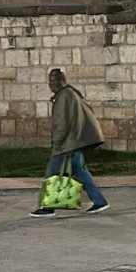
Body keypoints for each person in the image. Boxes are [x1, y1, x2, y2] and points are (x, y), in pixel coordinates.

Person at [30, 69, 109, 218]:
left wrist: (56, 143)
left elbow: (62, 124)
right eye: (50, 81)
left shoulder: (64, 96)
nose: (50, 84)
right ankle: (99, 201)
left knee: (51, 174)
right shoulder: (71, 93)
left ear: (60, 81)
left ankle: (47, 208)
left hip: (66, 144)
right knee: (81, 172)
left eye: (53, 81)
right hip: (74, 142)